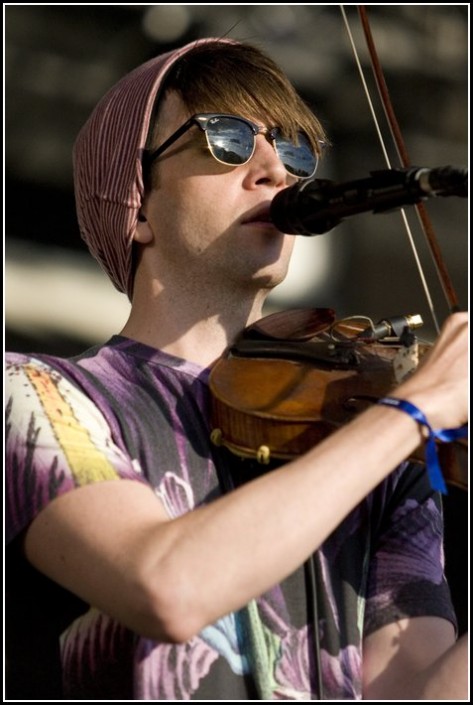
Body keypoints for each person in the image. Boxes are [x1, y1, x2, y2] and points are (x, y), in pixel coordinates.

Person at [5, 37, 468, 701]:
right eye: (223, 137)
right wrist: (413, 411)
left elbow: (412, 691)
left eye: (290, 147)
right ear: (134, 203)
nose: (273, 168)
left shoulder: (368, 440)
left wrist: (403, 422)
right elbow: (166, 586)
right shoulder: (35, 394)